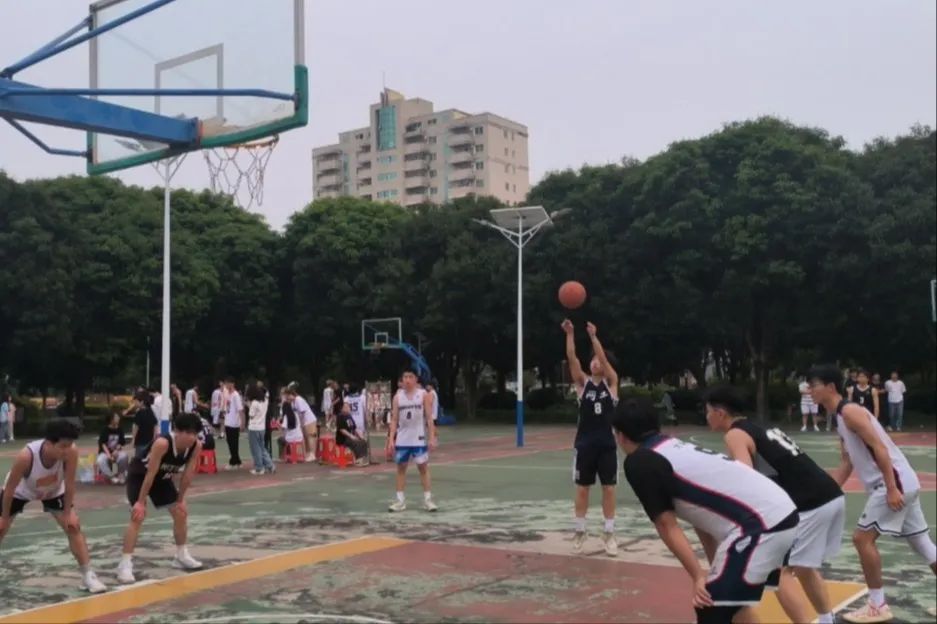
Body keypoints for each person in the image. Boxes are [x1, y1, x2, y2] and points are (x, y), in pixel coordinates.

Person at [614, 398, 798, 624]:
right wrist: (712, 569)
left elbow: (666, 525)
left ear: (620, 435)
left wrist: (697, 575)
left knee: (710, 607)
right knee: (732, 604)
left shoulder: (640, 462)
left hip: (761, 525)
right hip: (780, 513)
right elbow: (701, 517)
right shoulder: (672, 447)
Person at [705, 386, 845, 624]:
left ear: (720, 413)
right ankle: (826, 619)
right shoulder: (760, 426)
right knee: (803, 566)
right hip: (828, 495)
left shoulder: (735, 434)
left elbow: (746, 480)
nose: (706, 416)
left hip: (809, 502)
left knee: (779, 572)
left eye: (708, 411)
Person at [808, 364, 936, 623]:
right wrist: (824, 494)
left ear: (830, 387)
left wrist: (891, 488)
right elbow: (847, 462)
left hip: (893, 483)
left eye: (813, 385)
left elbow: (880, 448)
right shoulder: (840, 418)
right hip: (903, 482)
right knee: (922, 543)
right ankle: (877, 604)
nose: (809, 390)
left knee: (861, 539)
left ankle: (877, 605)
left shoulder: (850, 412)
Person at [0, 420, 107, 593]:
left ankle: (88, 576)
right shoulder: (26, 456)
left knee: (73, 526)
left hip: (53, 490)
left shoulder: (71, 452)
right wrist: (4, 518)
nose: (67, 450)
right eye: (63, 446)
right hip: (21, 491)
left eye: (70, 445)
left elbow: (70, 484)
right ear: (48, 443)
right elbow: (10, 489)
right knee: (0, 528)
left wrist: (68, 513)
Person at [117, 412, 203, 584]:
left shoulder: (196, 446)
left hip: (162, 479)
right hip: (140, 477)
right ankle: (124, 564)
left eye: (195, 433)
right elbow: (150, 474)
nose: (192, 437)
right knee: (138, 516)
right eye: (188, 433)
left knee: (181, 513)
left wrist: (180, 499)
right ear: (177, 431)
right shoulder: (162, 443)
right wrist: (140, 502)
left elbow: (188, 474)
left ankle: (181, 555)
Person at [561, 319, 619, 556]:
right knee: (582, 489)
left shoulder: (611, 383)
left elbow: (603, 359)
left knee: (609, 488)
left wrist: (594, 337)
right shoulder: (582, 384)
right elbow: (572, 358)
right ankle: (580, 530)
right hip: (584, 445)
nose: (595, 362)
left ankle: (609, 533)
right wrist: (570, 334)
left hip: (607, 445)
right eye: (592, 359)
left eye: (598, 360)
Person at [387, 368, 438, 512]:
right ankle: (400, 501)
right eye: (405, 377)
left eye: (410, 377)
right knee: (401, 469)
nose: (407, 380)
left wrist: (432, 437)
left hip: (418, 439)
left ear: (416, 379)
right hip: (402, 439)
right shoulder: (397, 397)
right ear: (402, 380)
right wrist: (391, 439)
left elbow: (429, 418)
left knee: (423, 468)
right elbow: (394, 420)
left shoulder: (423, 395)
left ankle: (428, 500)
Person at [247, 385, 274, 475]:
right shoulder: (265, 401)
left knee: (256, 449)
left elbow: (251, 415)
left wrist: (248, 405)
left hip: (253, 428)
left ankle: (259, 468)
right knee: (262, 448)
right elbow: (267, 393)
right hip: (262, 428)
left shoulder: (254, 403)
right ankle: (270, 465)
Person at [98, 413, 130, 484]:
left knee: (124, 456)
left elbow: (121, 443)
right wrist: (109, 455)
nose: (118, 419)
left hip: (116, 452)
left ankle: (120, 474)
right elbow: (103, 444)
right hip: (105, 452)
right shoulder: (105, 430)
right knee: (100, 460)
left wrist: (116, 451)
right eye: (116, 417)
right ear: (111, 420)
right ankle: (111, 476)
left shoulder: (120, 429)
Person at [336, 402, 369, 466]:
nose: (347, 408)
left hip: (351, 437)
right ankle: (358, 460)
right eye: (345, 407)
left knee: (363, 441)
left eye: (348, 407)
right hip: (343, 438)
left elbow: (355, 428)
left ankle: (363, 458)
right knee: (356, 442)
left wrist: (361, 436)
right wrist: (351, 436)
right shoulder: (340, 416)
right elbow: (342, 430)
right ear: (342, 408)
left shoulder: (349, 416)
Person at [222, 379, 243, 470]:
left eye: (228, 383)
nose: (226, 385)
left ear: (232, 384)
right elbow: (227, 408)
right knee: (230, 442)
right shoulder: (228, 394)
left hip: (234, 423)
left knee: (233, 443)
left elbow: (240, 409)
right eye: (225, 383)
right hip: (228, 421)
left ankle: (233, 462)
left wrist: (242, 422)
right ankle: (237, 461)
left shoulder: (235, 395)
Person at [131, 390, 159, 456]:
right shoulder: (150, 411)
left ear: (142, 402)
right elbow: (155, 425)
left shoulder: (139, 413)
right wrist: (154, 437)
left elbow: (135, 427)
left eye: (136, 402)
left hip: (140, 442)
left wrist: (133, 440)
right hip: (149, 441)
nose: (135, 404)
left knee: (139, 458)